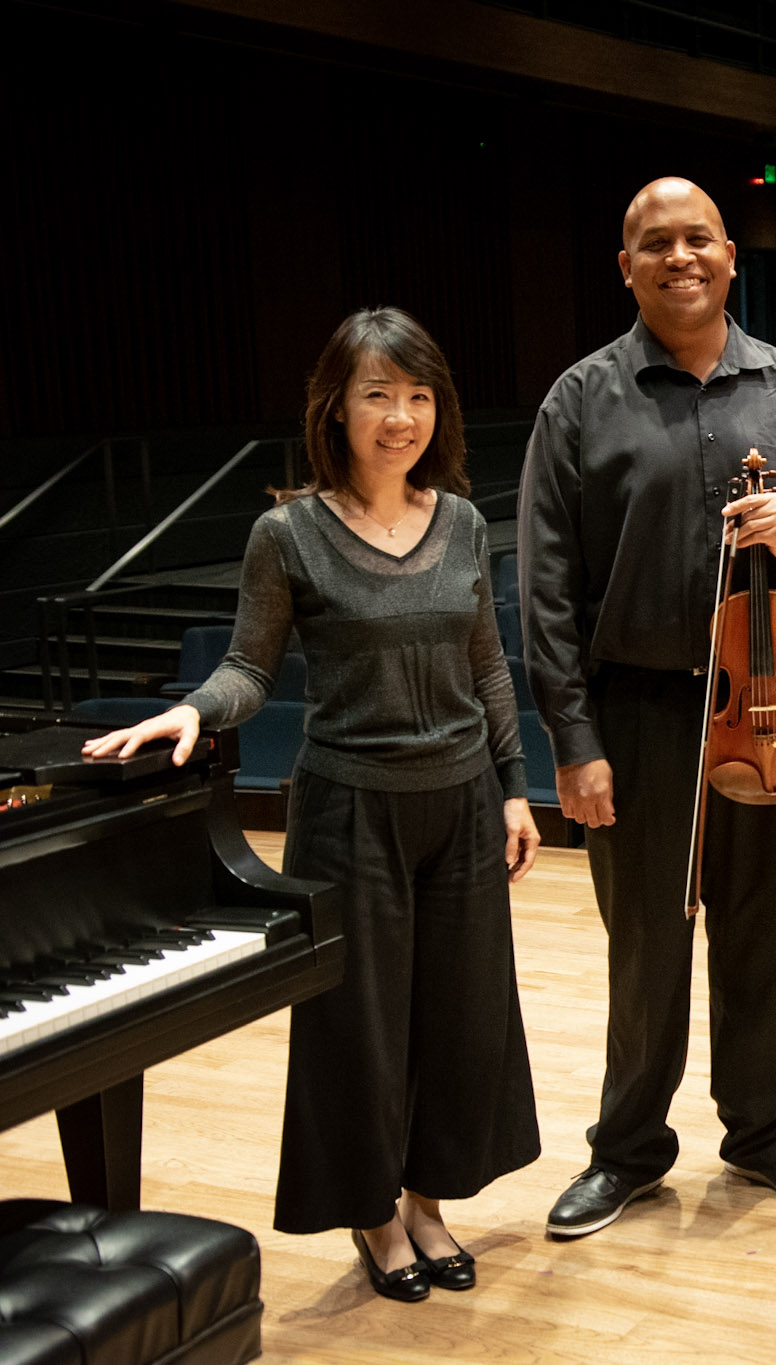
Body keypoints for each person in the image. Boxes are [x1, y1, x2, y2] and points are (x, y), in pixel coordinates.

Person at [84, 307, 542, 1302]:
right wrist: (193, 710)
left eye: (418, 395)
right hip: (349, 812)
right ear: (335, 407)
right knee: (357, 1028)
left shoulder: (462, 522)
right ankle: (374, 1218)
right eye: (378, 394)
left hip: (462, 803)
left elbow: (488, 666)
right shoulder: (286, 532)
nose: (400, 416)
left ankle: (428, 1201)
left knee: (461, 1021)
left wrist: (514, 789)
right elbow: (251, 667)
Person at [521, 177, 776, 1236]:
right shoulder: (579, 400)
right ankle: (628, 1149)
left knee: (764, 932)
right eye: (655, 243)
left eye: (697, 239)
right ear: (625, 267)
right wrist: (575, 740)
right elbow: (546, 590)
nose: (679, 257)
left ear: (730, 256)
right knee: (645, 944)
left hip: (769, 709)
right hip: (637, 716)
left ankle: (764, 1131)